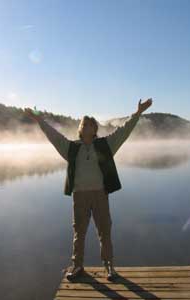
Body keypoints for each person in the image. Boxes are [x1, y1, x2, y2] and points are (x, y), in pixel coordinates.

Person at [24, 98, 152, 281]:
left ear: (94, 129)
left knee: (105, 231)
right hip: (80, 196)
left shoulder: (105, 145)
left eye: (89, 124)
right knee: (79, 232)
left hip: (100, 194)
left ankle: (109, 267)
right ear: (80, 128)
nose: (85, 126)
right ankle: (77, 267)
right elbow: (54, 135)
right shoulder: (72, 148)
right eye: (83, 124)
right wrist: (38, 120)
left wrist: (138, 113)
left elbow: (124, 132)